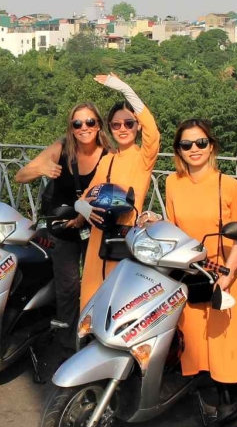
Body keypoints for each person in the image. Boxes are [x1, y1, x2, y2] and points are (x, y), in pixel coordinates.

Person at [164, 119, 237, 427]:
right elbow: (175, 228)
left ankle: (236, 413)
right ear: (178, 150)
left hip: (224, 271)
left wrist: (228, 275)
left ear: (212, 146)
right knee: (198, 342)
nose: (194, 150)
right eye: (186, 144)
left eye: (200, 143)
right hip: (192, 273)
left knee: (228, 348)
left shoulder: (229, 185)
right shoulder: (173, 184)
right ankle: (210, 401)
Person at [15, 102, 111, 346]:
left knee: (97, 284)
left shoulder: (110, 155)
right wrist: (41, 169)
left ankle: (94, 339)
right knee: (68, 287)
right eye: (77, 123)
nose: (84, 127)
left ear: (98, 124)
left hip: (95, 227)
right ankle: (67, 343)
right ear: (71, 127)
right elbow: (20, 176)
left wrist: (83, 217)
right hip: (63, 227)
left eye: (90, 122)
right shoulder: (62, 148)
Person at [79, 74, 159, 307]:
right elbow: (85, 197)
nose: (122, 129)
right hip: (98, 238)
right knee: (90, 303)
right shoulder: (108, 160)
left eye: (129, 123)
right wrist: (84, 209)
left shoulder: (143, 158)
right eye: (116, 124)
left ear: (137, 126)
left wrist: (125, 89)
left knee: (118, 305)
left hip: (124, 239)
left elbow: (152, 131)